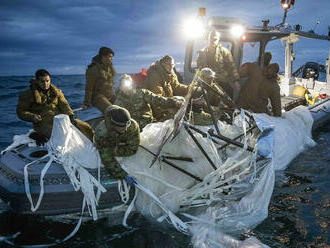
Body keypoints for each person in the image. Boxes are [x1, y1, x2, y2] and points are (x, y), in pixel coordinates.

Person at [17, 69, 94, 144]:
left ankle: (95, 145)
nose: (45, 84)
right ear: (37, 81)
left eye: (47, 81)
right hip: (42, 123)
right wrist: (32, 116)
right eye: (42, 81)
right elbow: (21, 111)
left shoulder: (56, 91)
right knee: (60, 135)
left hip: (60, 119)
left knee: (85, 127)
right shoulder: (27, 95)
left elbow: (64, 105)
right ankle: (35, 135)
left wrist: (70, 116)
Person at [114, 74, 184, 129]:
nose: (126, 89)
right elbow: (115, 116)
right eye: (123, 86)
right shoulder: (118, 100)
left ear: (131, 85)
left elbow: (158, 100)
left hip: (147, 125)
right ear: (120, 88)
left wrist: (174, 102)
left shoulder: (142, 93)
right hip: (131, 129)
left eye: (127, 85)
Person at [94, 105, 140, 179]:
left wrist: (117, 150)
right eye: (121, 127)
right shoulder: (102, 133)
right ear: (114, 125)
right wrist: (124, 175)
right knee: (105, 156)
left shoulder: (132, 126)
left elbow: (133, 148)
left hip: (119, 142)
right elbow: (107, 160)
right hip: (107, 142)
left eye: (126, 125)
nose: (125, 129)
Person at [142, 55, 189, 120]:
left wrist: (189, 88)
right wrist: (168, 111)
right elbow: (157, 99)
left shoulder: (170, 73)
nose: (171, 67)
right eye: (169, 64)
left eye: (172, 65)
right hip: (159, 111)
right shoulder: (155, 75)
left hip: (167, 104)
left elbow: (176, 86)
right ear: (163, 64)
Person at [197, 30, 240, 99]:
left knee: (227, 98)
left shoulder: (225, 52)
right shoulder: (202, 52)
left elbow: (231, 67)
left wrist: (235, 81)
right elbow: (199, 68)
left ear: (218, 39)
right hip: (206, 81)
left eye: (215, 39)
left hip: (222, 81)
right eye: (211, 38)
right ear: (209, 39)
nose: (213, 40)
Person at [82, 46, 116, 113]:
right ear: (102, 57)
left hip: (110, 95)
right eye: (108, 56)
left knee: (125, 104)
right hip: (98, 97)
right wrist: (86, 103)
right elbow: (89, 87)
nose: (110, 59)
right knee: (112, 111)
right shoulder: (93, 69)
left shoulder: (110, 68)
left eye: (111, 57)